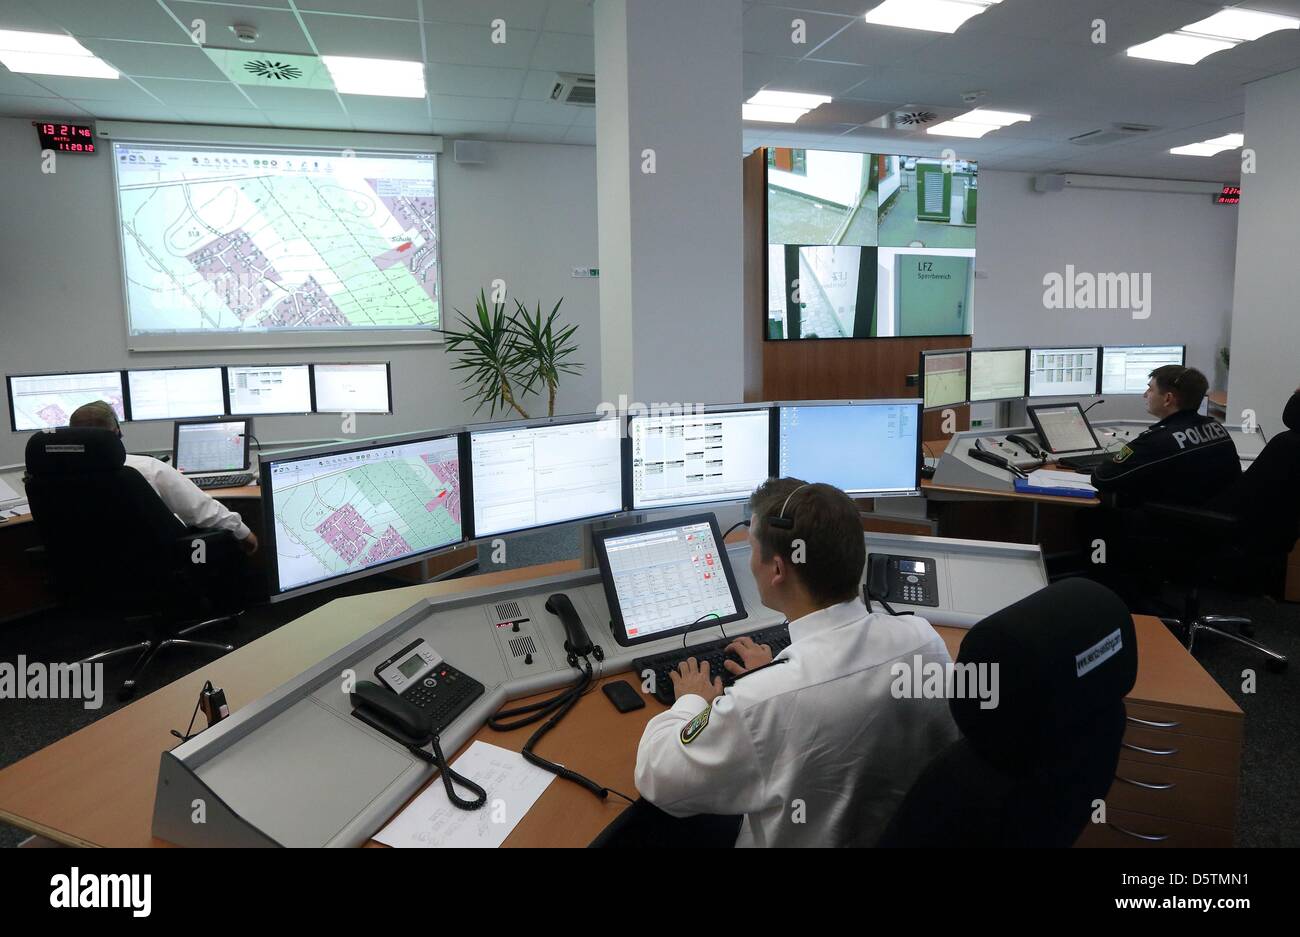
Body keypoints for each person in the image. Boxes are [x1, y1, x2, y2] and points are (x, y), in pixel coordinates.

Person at [633, 478, 958, 847]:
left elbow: (656, 776)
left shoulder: (761, 701)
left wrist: (689, 700)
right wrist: (776, 676)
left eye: (752, 547)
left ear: (776, 570)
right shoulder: (922, 640)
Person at [68, 401, 258, 554]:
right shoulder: (146, 469)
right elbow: (202, 511)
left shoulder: (50, 476)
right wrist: (244, 533)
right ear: (117, 431)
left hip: (84, 572)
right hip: (153, 567)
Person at [1090, 365, 1239, 508]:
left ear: (1168, 398)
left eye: (1150, 389)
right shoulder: (1216, 427)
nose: (1145, 394)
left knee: (1087, 517)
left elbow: (1104, 478)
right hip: (1213, 518)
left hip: (1170, 523)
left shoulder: (1157, 440)